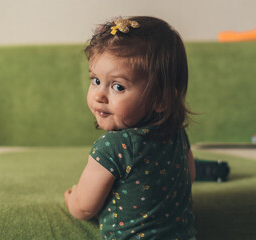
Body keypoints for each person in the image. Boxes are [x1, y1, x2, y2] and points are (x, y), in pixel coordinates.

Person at [64, 16, 196, 240]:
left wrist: (70, 197)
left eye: (118, 86)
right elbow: (190, 175)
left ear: (160, 100)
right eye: (95, 80)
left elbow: (84, 208)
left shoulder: (111, 147)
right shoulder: (177, 133)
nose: (99, 96)